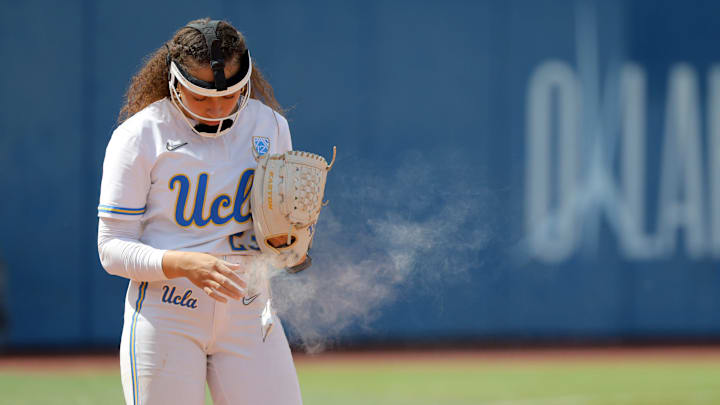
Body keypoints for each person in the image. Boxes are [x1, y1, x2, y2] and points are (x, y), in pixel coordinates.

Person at [97, 18, 303, 405]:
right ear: (174, 82)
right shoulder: (140, 135)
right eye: (201, 97)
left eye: (230, 96)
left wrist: (291, 243)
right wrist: (184, 263)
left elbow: (279, 233)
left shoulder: (271, 126)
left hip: (250, 310)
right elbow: (111, 248)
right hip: (168, 312)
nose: (217, 107)